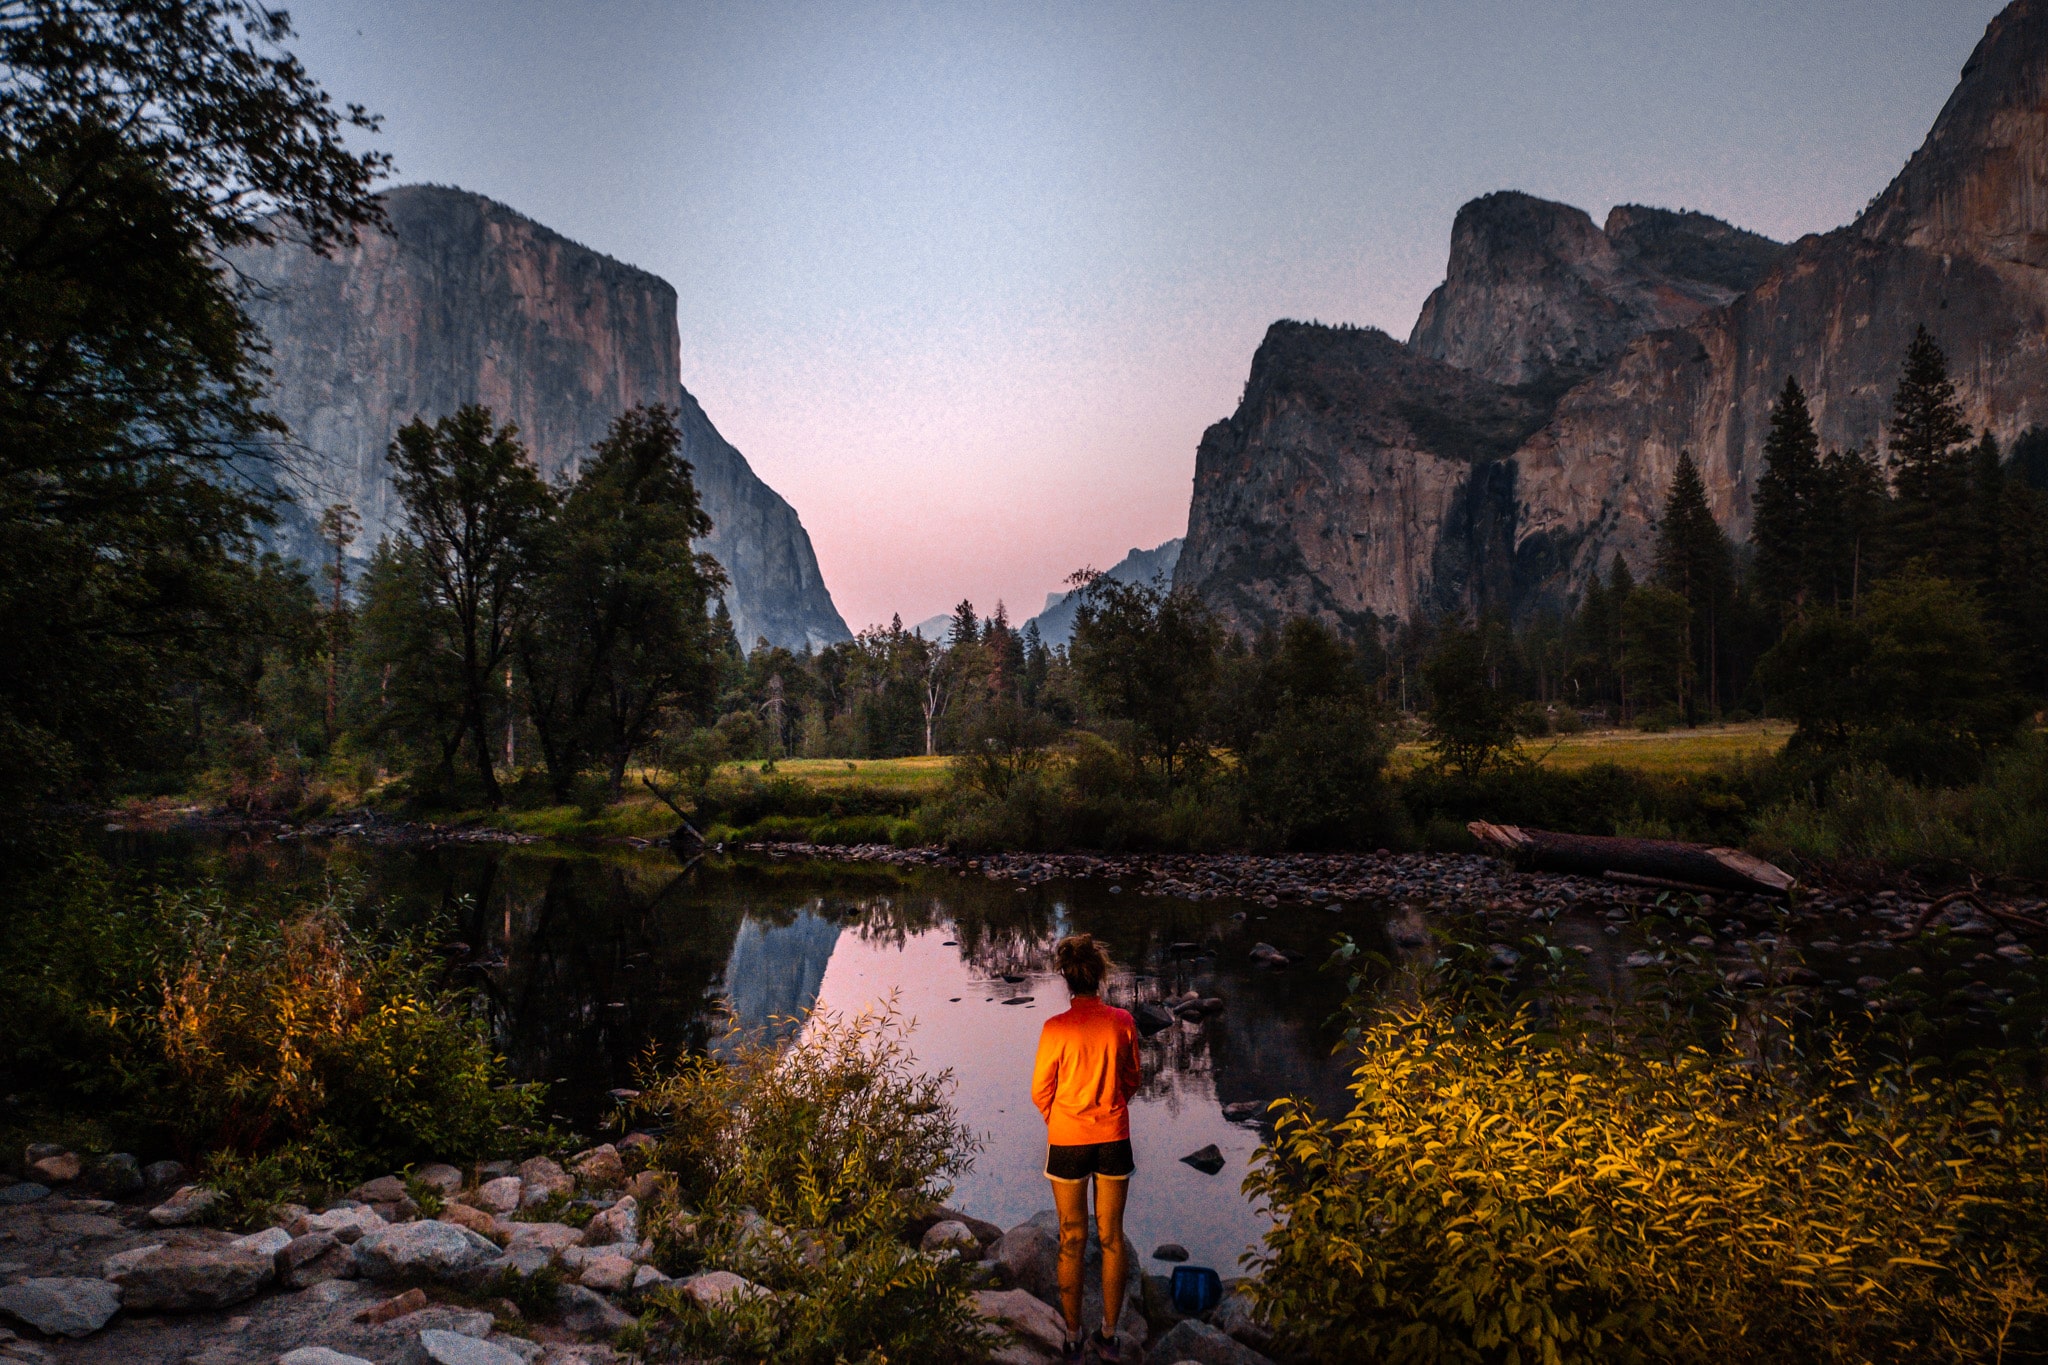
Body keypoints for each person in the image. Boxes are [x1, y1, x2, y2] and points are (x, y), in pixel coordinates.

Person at [1031, 933, 1141, 1363]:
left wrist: (1061, 1121)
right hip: (1113, 1138)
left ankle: (1073, 1338)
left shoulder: (1055, 1029)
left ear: (1066, 978)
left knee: (1071, 1238)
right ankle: (1109, 1336)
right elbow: (1132, 1079)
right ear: (1100, 975)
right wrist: (1110, 1107)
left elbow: (1041, 1090)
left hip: (1068, 1142)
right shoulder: (1122, 1022)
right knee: (1112, 1238)